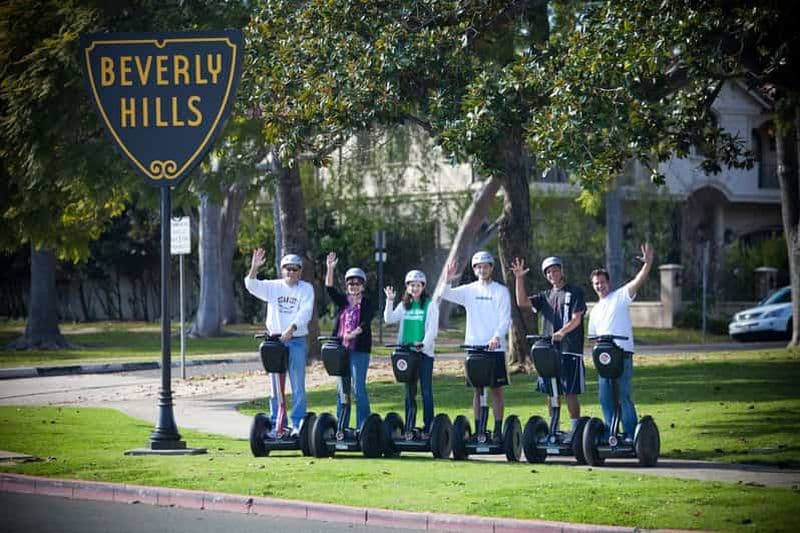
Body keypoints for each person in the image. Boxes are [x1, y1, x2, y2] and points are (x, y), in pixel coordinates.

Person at [511, 256, 586, 439]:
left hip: (569, 349)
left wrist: (562, 332)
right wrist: (519, 278)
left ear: (562, 271)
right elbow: (522, 303)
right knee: (551, 390)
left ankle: (575, 430)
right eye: (548, 272)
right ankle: (555, 428)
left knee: (569, 391)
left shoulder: (574, 292)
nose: (552, 274)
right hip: (548, 351)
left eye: (555, 270)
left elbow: (577, 319)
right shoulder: (545, 296)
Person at [588, 242, 654, 441]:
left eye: (602, 282)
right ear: (593, 286)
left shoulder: (620, 297)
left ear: (608, 282)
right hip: (604, 359)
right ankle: (611, 433)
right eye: (596, 283)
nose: (600, 286)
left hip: (622, 356)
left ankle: (632, 435)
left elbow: (638, 281)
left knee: (623, 396)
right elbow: (594, 339)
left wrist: (647, 264)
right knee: (605, 398)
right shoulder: (594, 311)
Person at [441, 251, 511, 442]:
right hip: (474, 348)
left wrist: (497, 336)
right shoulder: (469, 290)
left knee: (496, 389)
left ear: (491, 268)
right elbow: (445, 294)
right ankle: (479, 429)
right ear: (474, 269)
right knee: (477, 390)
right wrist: (448, 279)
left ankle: (497, 430)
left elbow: (505, 318)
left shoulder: (500, 291)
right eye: (478, 267)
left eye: (485, 266)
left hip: (494, 349)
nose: (482, 269)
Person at [244, 249, 315, 436]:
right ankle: (277, 424)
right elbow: (251, 285)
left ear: (300, 271)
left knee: (298, 384)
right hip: (275, 342)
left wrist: (292, 329)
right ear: (282, 270)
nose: (290, 272)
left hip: (296, 341)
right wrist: (254, 267)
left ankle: (298, 424)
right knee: (276, 386)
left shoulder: (306, 288)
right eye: (287, 269)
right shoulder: (273, 287)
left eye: (294, 269)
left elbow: (305, 312)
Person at [383, 269, 441, 437]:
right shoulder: (404, 305)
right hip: (407, 355)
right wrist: (389, 301)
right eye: (411, 285)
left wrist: (423, 344)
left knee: (426, 391)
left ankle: (429, 427)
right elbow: (389, 319)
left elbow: (432, 330)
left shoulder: (430, 304)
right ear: (407, 287)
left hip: (424, 355)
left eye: (418, 285)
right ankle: (409, 427)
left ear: (423, 286)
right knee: (409, 392)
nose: (414, 288)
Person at [325, 251, 375, 431]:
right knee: (342, 391)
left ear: (363, 285)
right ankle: (342, 426)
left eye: (357, 283)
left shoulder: (368, 303)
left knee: (358, 389)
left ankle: (365, 427)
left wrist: (353, 333)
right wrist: (330, 268)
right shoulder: (343, 301)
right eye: (350, 283)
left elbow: (366, 321)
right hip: (341, 351)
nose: (353, 286)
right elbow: (329, 289)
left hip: (359, 351)